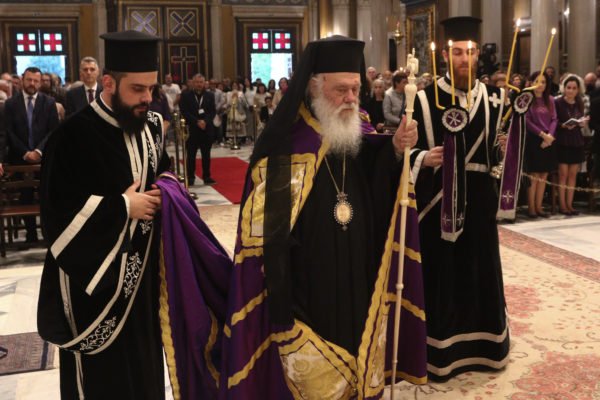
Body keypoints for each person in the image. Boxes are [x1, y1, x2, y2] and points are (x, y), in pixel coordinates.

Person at [221, 35, 427, 399]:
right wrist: (281, 299)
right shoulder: (286, 143)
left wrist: (395, 149)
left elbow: (375, 178)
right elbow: (268, 236)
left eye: (356, 89)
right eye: (340, 90)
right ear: (314, 87)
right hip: (311, 280)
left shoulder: (357, 128)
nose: (350, 99)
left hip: (359, 268)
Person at [37, 30, 170, 400]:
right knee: (105, 382)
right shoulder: (71, 136)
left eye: (152, 89)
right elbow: (57, 214)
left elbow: (163, 173)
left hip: (142, 282)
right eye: (138, 89)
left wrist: (167, 191)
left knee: (144, 371)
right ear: (109, 83)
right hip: (95, 289)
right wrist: (124, 207)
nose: (147, 98)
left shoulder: (150, 126)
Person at [408, 16, 510, 381]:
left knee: (481, 273)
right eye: (457, 53)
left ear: (478, 53)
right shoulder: (423, 99)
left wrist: (502, 151)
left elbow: (495, 157)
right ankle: (443, 353)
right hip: (440, 207)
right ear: (445, 55)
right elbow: (404, 154)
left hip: (480, 207)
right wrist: (423, 157)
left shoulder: (496, 99)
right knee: (446, 277)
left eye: (469, 52)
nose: (464, 59)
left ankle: (486, 349)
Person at [4, 66, 59, 242]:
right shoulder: (10, 104)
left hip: (44, 158)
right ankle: (31, 234)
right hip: (19, 158)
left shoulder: (49, 103)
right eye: (29, 80)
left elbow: (54, 131)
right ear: (22, 80)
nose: (32, 84)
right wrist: (25, 153)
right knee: (25, 196)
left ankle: (47, 234)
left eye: (36, 81)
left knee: (46, 196)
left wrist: (38, 151)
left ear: (40, 82)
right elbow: (8, 132)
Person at [554, 75, 589, 215]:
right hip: (562, 140)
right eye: (568, 87)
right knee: (563, 174)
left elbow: (580, 118)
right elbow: (553, 121)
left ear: (578, 90)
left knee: (573, 175)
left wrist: (582, 123)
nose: (571, 91)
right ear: (564, 88)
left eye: (574, 88)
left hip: (576, 140)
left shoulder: (579, 102)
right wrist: (563, 125)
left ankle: (570, 205)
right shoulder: (557, 102)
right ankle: (562, 205)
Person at [525, 71, 558, 218]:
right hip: (534, 139)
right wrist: (543, 135)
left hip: (548, 140)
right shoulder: (527, 98)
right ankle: (531, 207)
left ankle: (539, 206)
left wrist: (549, 136)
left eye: (543, 82)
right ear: (531, 83)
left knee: (544, 175)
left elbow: (554, 119)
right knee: (534, 175)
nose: (540, 85)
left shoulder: (550, 99)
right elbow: (526, 120)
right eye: (537, 81)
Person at [179, 73, 216, 185]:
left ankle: (207, 176)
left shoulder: (210, 95)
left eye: (201, 82)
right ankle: (190, 177)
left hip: (206, 129)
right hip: (192, 129)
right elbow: (184, 111)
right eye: (197, 82)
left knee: (206, 155)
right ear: (193, 83)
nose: (199, 84)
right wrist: (196, 122)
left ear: (204, 83)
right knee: (191, 155)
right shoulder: (186, 95)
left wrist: (205, 121)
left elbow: (212, 111)